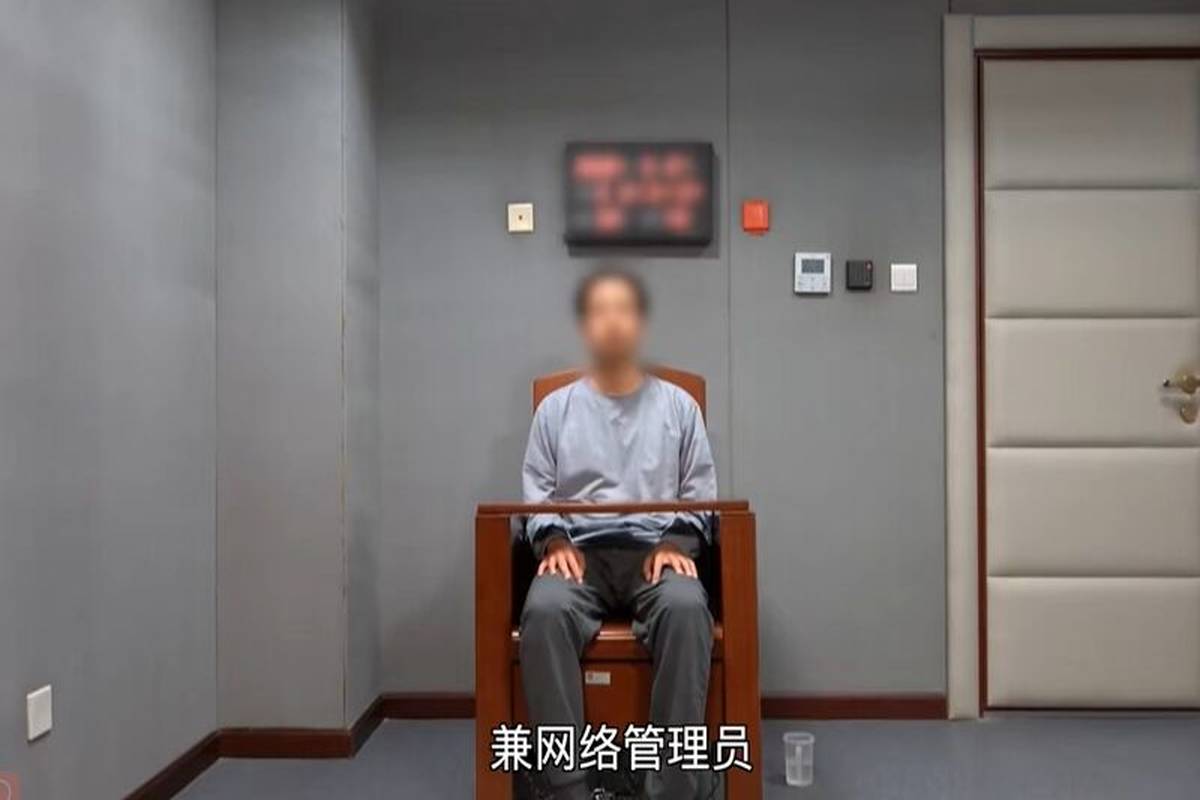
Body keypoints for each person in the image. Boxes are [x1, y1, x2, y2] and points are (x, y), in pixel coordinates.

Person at [520, 266, 717, 800]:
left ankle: (672, 787)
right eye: (599, 311)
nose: (612, 322)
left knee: (685, 607)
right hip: (578, 554)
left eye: (623, 310)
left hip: (656, 552)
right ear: (585, 326)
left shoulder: (680, 406)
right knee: (544, 610)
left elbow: (700, 492)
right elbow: (536, 493)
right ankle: (567, 786)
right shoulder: (554, 410)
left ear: (641, 324)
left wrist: (674, 543)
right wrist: (554, 541)